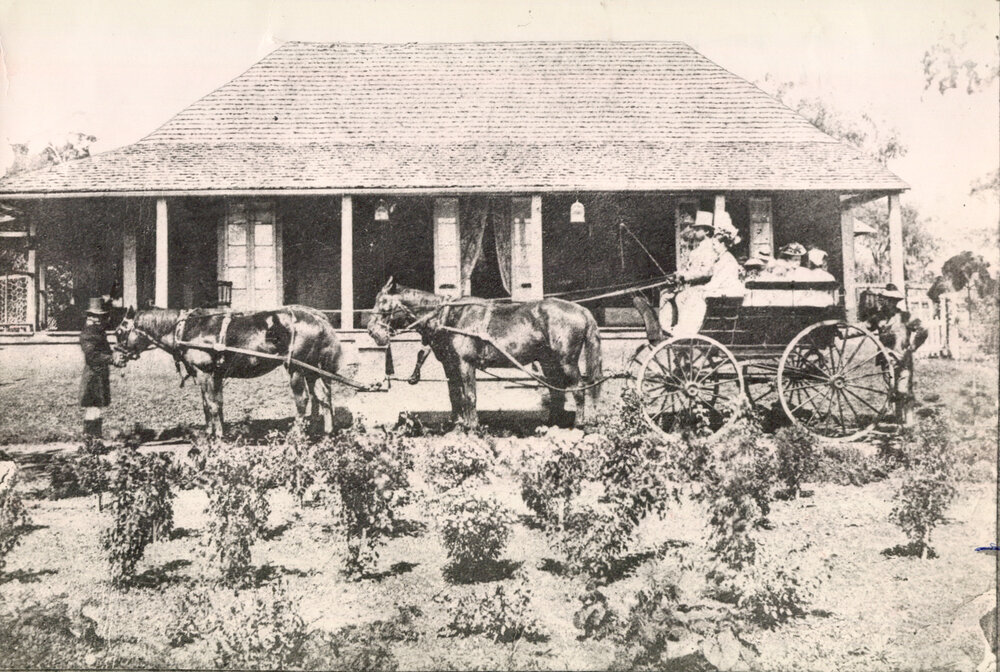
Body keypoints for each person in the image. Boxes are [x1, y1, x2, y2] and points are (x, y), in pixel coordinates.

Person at [668, 211, 743, 335]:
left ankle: (687, 330)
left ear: (723, 244)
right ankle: (683, 328)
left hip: (723, 292)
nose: (714, 245)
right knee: (685, 297)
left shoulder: (725, 258)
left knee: (691, 298)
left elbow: (712, 276)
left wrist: (699, 285)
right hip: (716, 289)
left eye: (698, 229)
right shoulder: (720, 257)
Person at [864, 283, 928, 425]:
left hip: (903, 359)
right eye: (886, 300)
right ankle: (899, 422)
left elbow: (923, 330)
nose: (887, 303)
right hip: (886, 360)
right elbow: (862, 329)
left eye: (891, 301)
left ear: (895, 303)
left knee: (904, 390)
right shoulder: (878, 318)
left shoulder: (905, 317)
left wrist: (913, 346)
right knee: (893, 391)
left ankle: (909, 423)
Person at [79, 297, 124, 438]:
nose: (100, 320)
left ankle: (95, 438)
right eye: (97, 317)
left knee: (96, 407)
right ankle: (90, 439)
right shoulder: (87, 334)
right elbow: (92, 356)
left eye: (101, 317)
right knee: (92, 408)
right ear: (90, 318)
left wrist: (117, 356)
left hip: (100, 374)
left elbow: (106, 352)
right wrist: (112, 359)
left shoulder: (99, 333)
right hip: (93, 375)